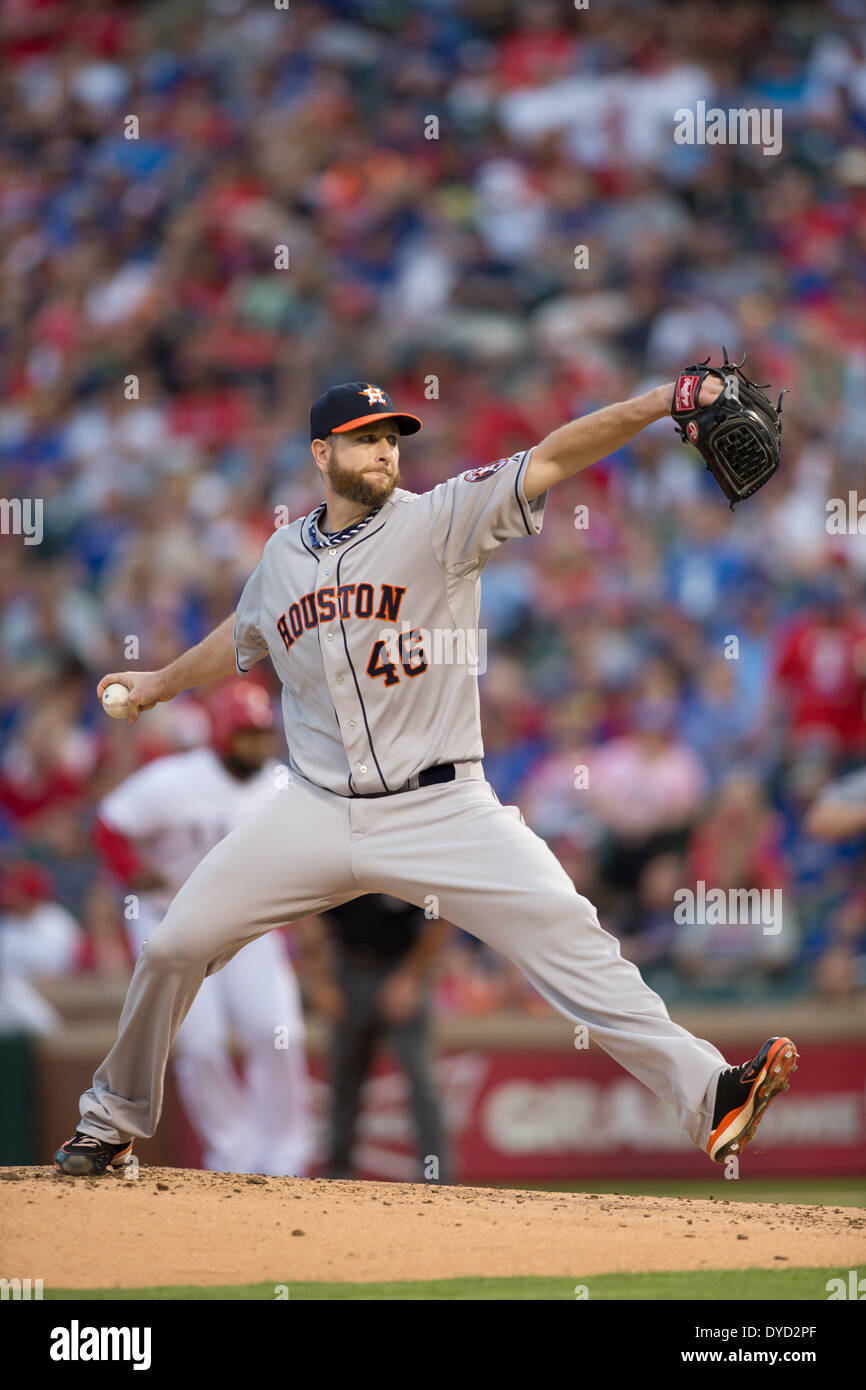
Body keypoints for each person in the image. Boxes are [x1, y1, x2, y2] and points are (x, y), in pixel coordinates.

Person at [55, 377, 797, 1178]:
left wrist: (659, 402)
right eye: (364, 436)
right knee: (172, 945)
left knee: (566, 928)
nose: (383, 449)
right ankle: (110, 1126)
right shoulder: (280, 557)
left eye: (391, 436)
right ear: (321, 452)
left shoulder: (442, 518)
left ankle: (712, 1096)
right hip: (313, 810)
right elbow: (244, 637)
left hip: (443, 807)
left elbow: (551, 457)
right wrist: (160, 682)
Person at [91, 681, 313, 1176]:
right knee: (202, 1043)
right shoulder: (172, 781)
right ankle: (234, 1153)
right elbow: (108, 825)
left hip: (248, 922)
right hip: (174, 917)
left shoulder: (282, 785)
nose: (257, 745)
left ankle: (286, 1157)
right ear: (219, 736)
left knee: (278, 1034)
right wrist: (130, 870)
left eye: (261, 735)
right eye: (245, 736)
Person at [299, 895, 452, 1182]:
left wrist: (411, 977)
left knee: (421, 1081)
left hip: (402, 964)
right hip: (348, 969)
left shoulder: (412, 860)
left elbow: (443, 917)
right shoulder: (344, 859)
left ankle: (439, 1180)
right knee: (344, 1080)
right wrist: (321, 980)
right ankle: (336, 1176)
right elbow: (312, 916)